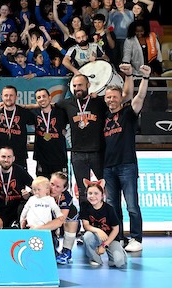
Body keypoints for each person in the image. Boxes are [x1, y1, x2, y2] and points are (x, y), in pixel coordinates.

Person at [55, 67, 133, 204]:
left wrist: (128, 76)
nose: (77, 88)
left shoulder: (100, 101)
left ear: (88, 85)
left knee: (107, 189)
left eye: (80, 85)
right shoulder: (66, 104)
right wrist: (26, 107)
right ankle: (86, 217)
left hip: (98, 152)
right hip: (77, 154)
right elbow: (47, 106)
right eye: (74, 86)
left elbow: (125, 96)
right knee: (82, 191)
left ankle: (107, 216)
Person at [103, 65, 151, 252]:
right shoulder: (105, 117)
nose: (111, 100)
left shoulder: (128, 113)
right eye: (108, 97)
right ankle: (119, 238)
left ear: (121, 98)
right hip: (108, 168)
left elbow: (140, 97)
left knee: (131, 205)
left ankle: (136, 238)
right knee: (113, 206)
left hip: (127, 166)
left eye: (115, 97)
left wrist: (145, 78)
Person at [79, 179, 127, 268]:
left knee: (118, 262)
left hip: (110, 238)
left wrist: (104, 245)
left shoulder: (109, 209)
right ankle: (95, 258)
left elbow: (116, 229)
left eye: (96, 193)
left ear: (102, 195)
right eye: (90, 193)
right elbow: (86, 225)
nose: (92, 196)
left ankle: (120, 253)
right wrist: (98, 231)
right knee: (87, 237)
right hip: (96, 236)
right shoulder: (85, 206)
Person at [0, 147, 33, 228]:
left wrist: (29, 195)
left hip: (16, 212)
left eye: (9, 157)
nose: (6, 160)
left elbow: (35, 187)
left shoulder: (20, 171)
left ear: (13, 158)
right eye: (3, 156)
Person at [0, 85, 34, 170]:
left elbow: (41, 111)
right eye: (6, 95)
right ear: (1, 97)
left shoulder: (24, 112)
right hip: (0, 156)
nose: (8, 98)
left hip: (19, 156)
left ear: (16, 97)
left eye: (11, 95)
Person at [32, 88, 68, 178]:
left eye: (44, 96)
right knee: (42, 185)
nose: (42, 99)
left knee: (60, 185)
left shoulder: (61, 112)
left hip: (59, 158)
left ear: (50, 98)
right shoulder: (33, 113)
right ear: (36, 101)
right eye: (39, 97)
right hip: (42, 159)